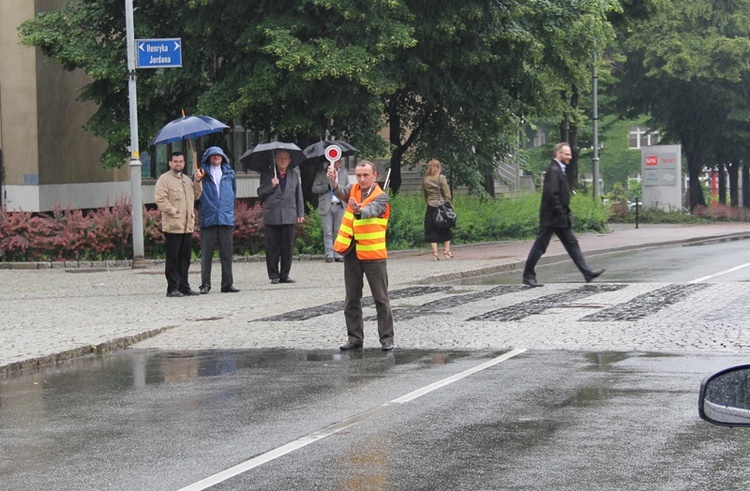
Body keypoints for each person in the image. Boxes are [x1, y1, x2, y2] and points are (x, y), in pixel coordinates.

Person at [328, 160, 394, 351]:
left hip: (373, 253)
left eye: (366, 175)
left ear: (375, 176)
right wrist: (333, 183)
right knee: (352, 298)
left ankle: (386, 338)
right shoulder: (353, 188)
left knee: (381, 298)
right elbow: (341, 192)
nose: (362, 179)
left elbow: (371, 210)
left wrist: (358, 210)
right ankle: (355, 338)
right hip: (352, 251)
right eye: (359, 175)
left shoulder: (381, 196)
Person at [522, 142, 605, 287]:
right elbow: (551, 194)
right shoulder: (554, 170)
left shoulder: (559, 170)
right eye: (567, 154)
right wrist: (560, 211)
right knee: (540, 246)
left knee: (572, 244)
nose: (570, 157)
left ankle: (587, 273)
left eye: (570, 154)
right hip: (552, 217)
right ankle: (528, 275)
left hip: (559, 217)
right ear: (558, 154)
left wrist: (564, 212)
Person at [154, 151, 203, 297]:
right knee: (173, 259)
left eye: (181, 161)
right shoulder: (164, 180)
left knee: (185, 258)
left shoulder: (187, 180)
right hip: (173, 226)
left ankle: (184, 286)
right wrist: (173, 211)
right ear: (170, 163)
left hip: (187, 225)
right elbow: (160, 200)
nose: (178, 164)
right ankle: (172, 287)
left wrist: (198, 180)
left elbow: (196, 195)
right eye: (175, 161)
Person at [257, 150, 304, 284]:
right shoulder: (267, 174)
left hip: (289, 215)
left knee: (287, 248)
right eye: (280, 158)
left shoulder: (294, 175)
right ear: (276, 160)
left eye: (285, 158)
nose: (283, 161)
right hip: (272, 215)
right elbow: (260, 192)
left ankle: (285, 274)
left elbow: (298, 194)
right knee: (272, 247)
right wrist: (271, 186)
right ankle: (273, 275)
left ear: (289, 161)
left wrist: (300, 213)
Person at [197, 146, 239, 294]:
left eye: (219, 155)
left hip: (225, 217)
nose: (216, 157)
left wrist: (228, 210)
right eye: (213, 155)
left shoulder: (229, 173)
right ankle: (205, 284)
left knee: (227, 253)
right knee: (206, 254)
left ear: (223, 157)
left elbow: (233, 193)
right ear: (208, 157)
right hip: (208, 217)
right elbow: (196, 195)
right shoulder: (201, 173)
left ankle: (227, 284)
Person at [312, 158, 348, 263]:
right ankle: (329, 254)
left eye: (340, 161)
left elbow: (347, 189)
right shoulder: (322, 173)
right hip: (327, 205)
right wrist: (327, 187)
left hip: (340, 205)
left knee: (338, 231)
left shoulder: (344, 173)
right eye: (336, 161)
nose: (338, 163)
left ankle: (338, 254)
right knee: (327, 232)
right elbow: (315, 188)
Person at [422, 159, 453, 261]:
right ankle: (446, 251)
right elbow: (446, 193)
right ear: (439, 167)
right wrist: (449, 204)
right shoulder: (441, 178)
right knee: (445, 228)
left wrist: (428, 202)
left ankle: (435, 253)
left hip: (431, 206)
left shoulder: (425, 180)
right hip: (442, 206)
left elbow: (425, 194)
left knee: (431, 229)